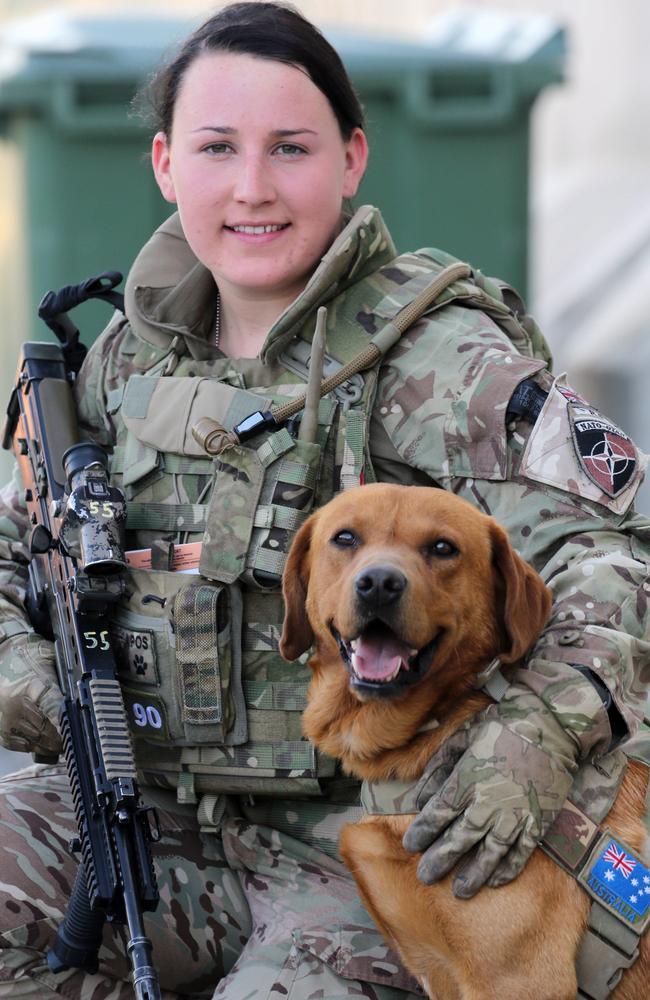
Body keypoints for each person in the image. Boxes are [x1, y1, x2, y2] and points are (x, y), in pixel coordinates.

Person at [0, 3, 647, 998]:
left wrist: (538, 731)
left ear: (350, 159)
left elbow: (613, 553)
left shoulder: (445, 358)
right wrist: (35, 680)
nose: (252, 188)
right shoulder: (114, 366)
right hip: (141, 818)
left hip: (366, 844)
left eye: (289, 149)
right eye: (218, 148)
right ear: (168, 165)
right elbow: (9, 555)